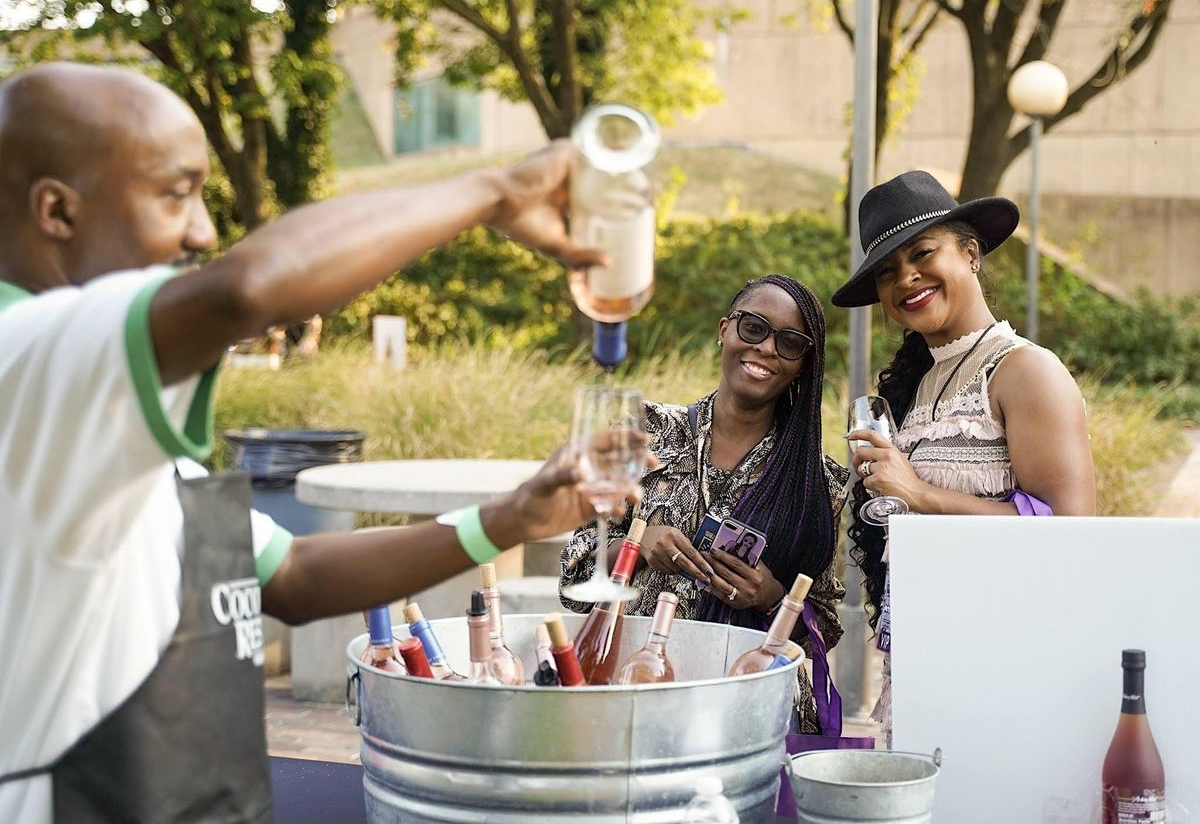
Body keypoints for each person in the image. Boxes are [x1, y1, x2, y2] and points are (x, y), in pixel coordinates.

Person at [0, 62, 640, 824]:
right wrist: (494, 192)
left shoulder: (91, 406)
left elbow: (291, 575)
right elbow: (243, 289)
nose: (204, 230)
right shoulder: (24, 356)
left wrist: (509, 517)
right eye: (177, 193)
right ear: (56, 210)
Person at [830, 169, 1096, 741]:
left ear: (970, 253)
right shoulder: (918, 385)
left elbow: (1072, 535)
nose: (907, 278)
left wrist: (920, 492)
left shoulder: (1025, 371)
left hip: (1006, 661)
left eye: (923, 253)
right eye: (887, 271)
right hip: (923, 658)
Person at [560, 274, 848, 732]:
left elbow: (824, 628)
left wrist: (771, 597)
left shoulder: (820, 481)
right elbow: (574, 573)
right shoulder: (644, 429)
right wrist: (637, 544)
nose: (767, 348)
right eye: (753, 328)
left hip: (750, 708)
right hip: (636, 690)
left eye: (790, 342)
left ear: (803, 363)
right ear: (724, 330)